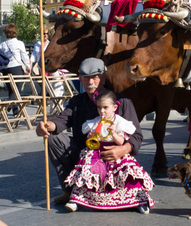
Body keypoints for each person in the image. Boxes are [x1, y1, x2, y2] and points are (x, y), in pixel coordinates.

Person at [35, 58, 144, 206]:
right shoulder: (76, 102)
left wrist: (123, 149)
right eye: (85, 77)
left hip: (116, 158)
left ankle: (131, 198)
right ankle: (70, 190)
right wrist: (47, 126)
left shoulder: (122, 101)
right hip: (85, 156)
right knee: (53, 138)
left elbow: (137, 136)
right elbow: (62, 120)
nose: (90, 81)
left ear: (104, 77)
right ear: (80, 79)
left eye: (94, 77)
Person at [63, 90, 154, 214]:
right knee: (86, 171)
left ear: (114, 107)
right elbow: (89, 141)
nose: (102, 111)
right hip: (97, 152)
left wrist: (113, 133)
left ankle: (139, 201)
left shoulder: (120, 122)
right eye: (99, 108)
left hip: (116, 151)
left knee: (127, 173)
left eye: (105, 107)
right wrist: (91, 136)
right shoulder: (95, 121)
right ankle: (77, 200)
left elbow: (121, 141)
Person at [0, 24, 31, 115]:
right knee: (17, 89)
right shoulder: (19, 43)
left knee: (11, 89)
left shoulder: (2, 44)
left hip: (6, 69)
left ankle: (15, 111)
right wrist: (28, 67)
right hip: (16, 67)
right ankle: (9, 105)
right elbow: (24, 56)